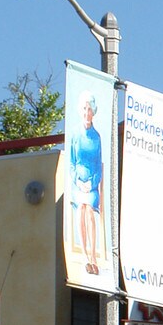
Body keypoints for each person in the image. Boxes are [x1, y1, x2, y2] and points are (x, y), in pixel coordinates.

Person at [68, 94, 104, 275]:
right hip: (78, 182)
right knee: (81, 208)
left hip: (91, 183)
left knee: (90, 209)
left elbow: (99, 164)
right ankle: (84, 255)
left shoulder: (96, 137)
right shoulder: (75, 134)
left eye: (89, 109)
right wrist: (77, 181)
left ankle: (93, 256)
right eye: (84, 109)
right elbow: (72, 162)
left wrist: (91, 183)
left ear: (93, 112)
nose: (86, 112)